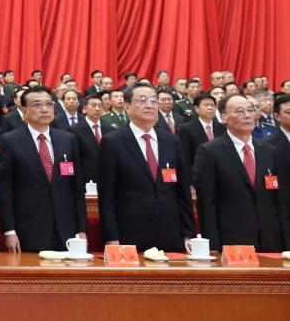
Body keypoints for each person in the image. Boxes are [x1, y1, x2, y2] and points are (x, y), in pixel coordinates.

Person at [98, 83, 195, 252]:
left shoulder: (171, 141)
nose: (149, 105)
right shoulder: (112, 142)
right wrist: (111, 237)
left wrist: (188, 232)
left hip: (170, 233)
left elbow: (182, 191)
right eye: (142, 100)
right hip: (130, 233)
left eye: (153, 100)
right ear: (127, 106)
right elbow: (107, 196)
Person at [0, 86, 87, 253]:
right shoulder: (10, 141)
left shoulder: (68, 139)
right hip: (29, 229)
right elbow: (4, 191)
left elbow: (77, 188)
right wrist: (9, 231)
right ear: (24, 111)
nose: (44, 109)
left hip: (67, 231)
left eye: (48, 104)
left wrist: (81, 229)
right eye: (37, 105)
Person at [193, 95, 290, 252]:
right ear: (223, 117)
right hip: (231, 240)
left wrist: (286, 241)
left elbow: (279, 200)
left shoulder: (269, 150)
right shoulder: (209, 152)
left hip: (270, 240)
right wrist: (213, 245)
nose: (247, 115)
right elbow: (207, 204)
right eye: (239, 111)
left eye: (250, 110)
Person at [70, 93, 118, 185]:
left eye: (100, 106)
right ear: (84, 109)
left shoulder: (111, 130)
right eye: (93, 105)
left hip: (109, 179)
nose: (97, 108)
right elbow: (71, 158)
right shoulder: (74, 130)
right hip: (85, 180)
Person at [178, 92, 225, 171]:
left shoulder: (222, 127)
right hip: (198, 172)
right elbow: (185, 157)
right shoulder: (186, 128)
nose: (210, 108)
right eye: (206, 105)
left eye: (212, 105)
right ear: (196, 109)